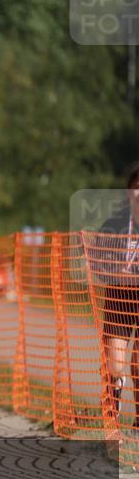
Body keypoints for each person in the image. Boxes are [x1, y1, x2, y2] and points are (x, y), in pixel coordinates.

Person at [90, 166, 139, 428]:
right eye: (137, 187)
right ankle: (112, 420)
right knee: (115, 364)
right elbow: (95, 258)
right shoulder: (115, 223)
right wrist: (113, 271)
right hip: (119, 296)